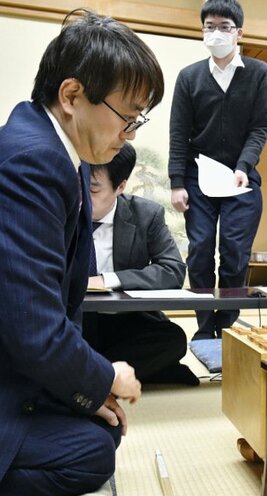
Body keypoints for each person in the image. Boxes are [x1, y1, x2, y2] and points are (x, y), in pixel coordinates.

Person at [0, 9, 164, 496]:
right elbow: (33, 328)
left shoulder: (58, 156)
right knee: (91, 451)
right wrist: (102, 378)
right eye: (127, 115)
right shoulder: (28, 162)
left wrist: (90, 385)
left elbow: (46, 312)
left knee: (100, 431)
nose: (131, 133)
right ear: (72, 95)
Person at [169, 0, 267, 340]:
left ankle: (226, 323)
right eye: (209, 26)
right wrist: (176, 182)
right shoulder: (189, 77)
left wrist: (244, 166)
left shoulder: (259, 73)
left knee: (234, 252)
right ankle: (203, 323)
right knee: (199, 250)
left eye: (224, 27)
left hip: (240, 179)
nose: (216, 33)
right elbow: (178, 131)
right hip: (198, 179)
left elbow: (260, 127)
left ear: (239, 32)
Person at [83, 143, 199, 386]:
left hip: (126, 320)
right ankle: (131, 373)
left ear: (121, 186)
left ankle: (87, 374)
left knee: (174, 339)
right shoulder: (62, 210)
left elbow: (172, 270)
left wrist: (107, 280)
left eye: (93, 189)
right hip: (76, 321)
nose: (82, 195)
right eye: (78, 183)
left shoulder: (146, 214)